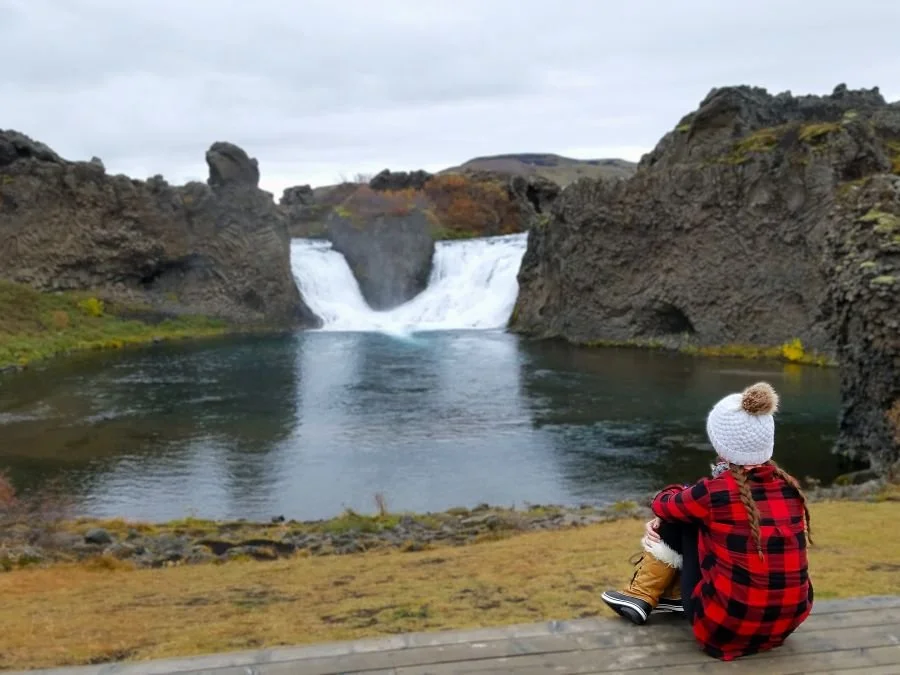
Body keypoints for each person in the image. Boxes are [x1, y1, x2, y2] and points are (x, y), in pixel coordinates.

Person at [601, 382, 814, 661]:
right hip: (785, 621)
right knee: (693, 513)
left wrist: (670, 506)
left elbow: (662, 504)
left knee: (680, 516)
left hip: (722, 627)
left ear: (720, 444)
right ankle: (654, 596)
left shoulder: (715, 491)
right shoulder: (789, 487)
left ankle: (642, 594)